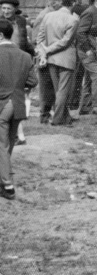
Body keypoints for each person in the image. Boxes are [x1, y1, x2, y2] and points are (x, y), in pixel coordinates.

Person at [0, 19, 37, 200]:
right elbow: (33, 82)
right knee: (8, 144)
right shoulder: (25, 55)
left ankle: (7, 185)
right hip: (19, 104)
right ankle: (4, 178)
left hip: (2, 104)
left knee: (1, 145)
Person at [36, 0, 80, 126]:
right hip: (66, 58)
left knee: (58, 90)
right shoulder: (73, 19)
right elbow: (66, 41)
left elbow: (40, 38)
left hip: (51, 59)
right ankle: (58, 119)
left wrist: (43, 53)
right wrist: (47, 50)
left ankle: (64, 117)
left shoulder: (48, 16)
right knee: (63, 91)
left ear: (62, 2)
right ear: (74, 2)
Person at [74, 0, 97, 116]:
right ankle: (96, 107)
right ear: (96, 0)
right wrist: (88, 49)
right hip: (87, 51)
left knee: (89, 80)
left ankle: (84, 107)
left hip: (92, 51)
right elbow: (80, 32)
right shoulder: (90, 12)